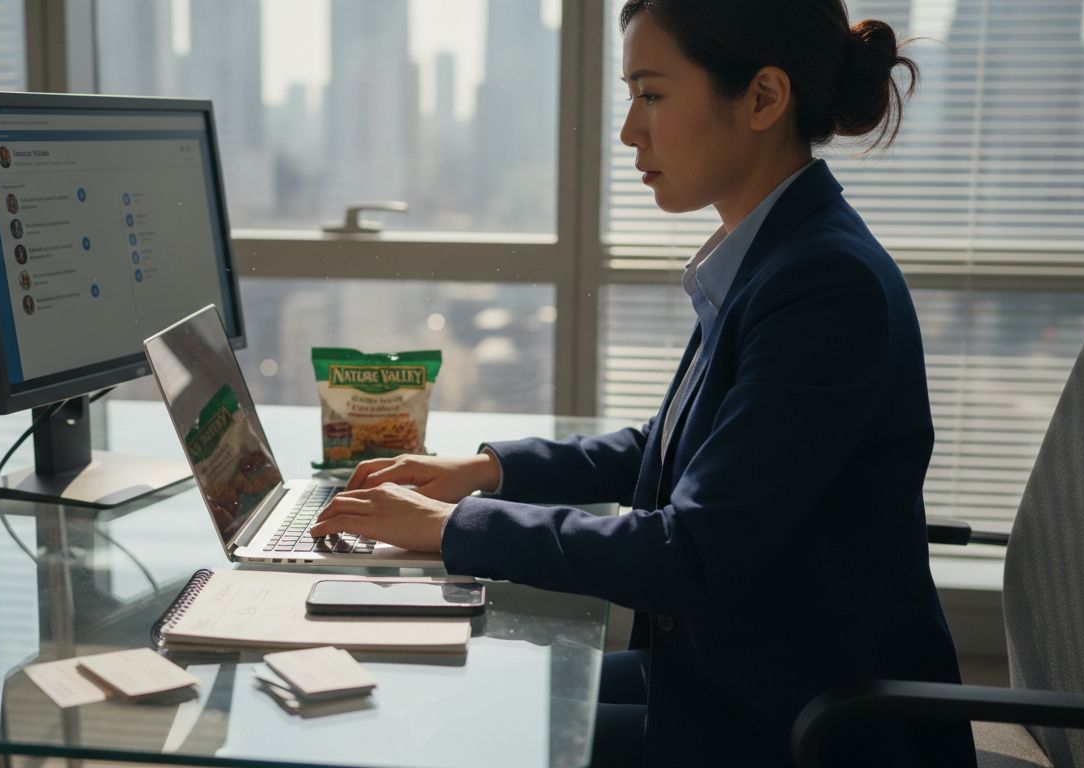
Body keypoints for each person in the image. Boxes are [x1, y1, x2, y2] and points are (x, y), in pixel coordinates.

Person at [310, 1, 976, 766]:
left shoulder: (824, 286)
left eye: (652, 95)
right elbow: (668, 449)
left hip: (804, 728)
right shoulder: (773, 253)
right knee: (464, 695)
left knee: (456, 737)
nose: (629, 130)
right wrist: (485, 472)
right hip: (729, 675)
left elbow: (687, 555)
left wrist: (450, 527)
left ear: (763, 98)